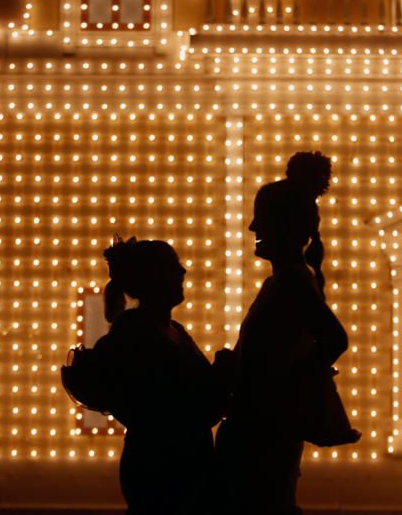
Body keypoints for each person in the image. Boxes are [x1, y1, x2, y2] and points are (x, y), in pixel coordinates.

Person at [214, 151, 356, 515]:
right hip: (263, 427)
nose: (252, 228)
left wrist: (281, 383)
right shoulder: (286, 281)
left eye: (260, 218)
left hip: (264, 431)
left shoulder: (291, 283)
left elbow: (335, 339)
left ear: (283, 225)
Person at [93, 237, 224, 515]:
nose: (182, 272)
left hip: (182, 465)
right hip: (161, 467)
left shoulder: (172, 330)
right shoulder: (137, 335)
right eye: (172, 267)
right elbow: (172, 405)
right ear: (152, 279)